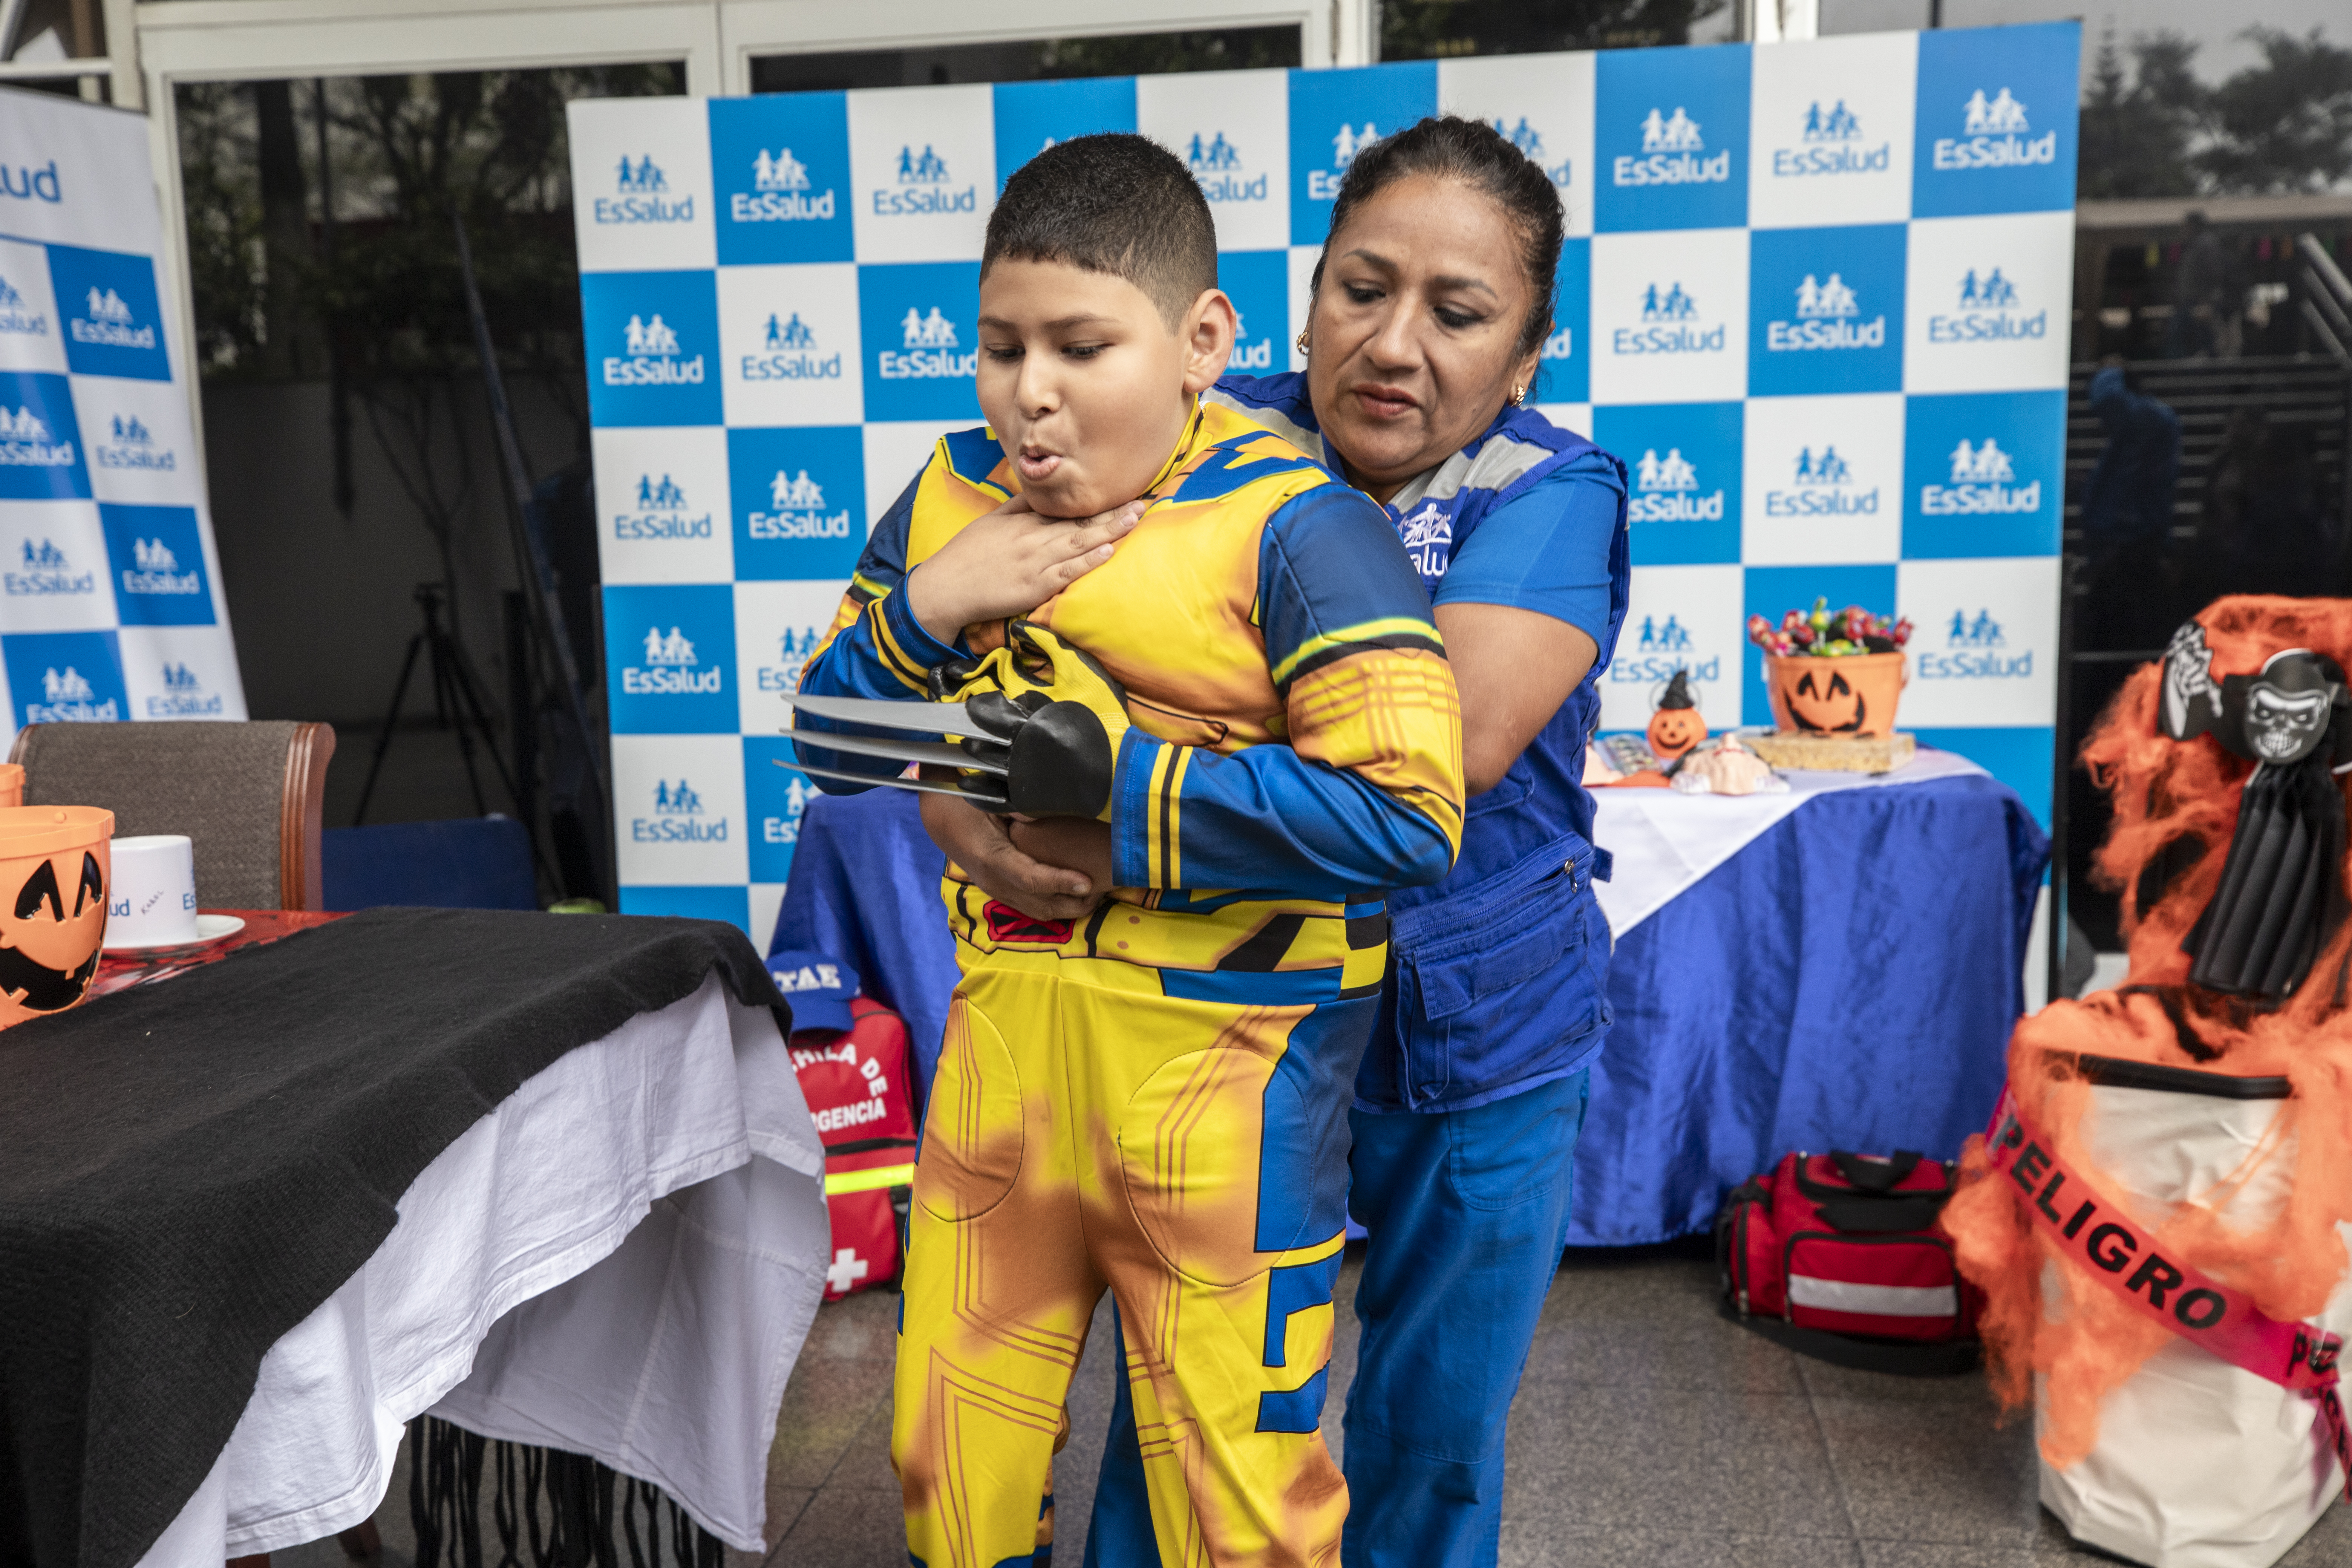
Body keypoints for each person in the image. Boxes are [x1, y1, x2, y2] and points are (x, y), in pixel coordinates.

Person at [923, 116, 1630, 1567]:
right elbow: (1005, 638)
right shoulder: (1196, 426)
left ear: (1529, 351)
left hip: (1472, 1033)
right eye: (1361, 288)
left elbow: (1443, 756)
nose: (1393, 343)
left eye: (1459, 312)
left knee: (1430, 1433)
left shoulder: (1552, 495)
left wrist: (1111, 796)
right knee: (1189, 1414)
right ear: (1296, 296)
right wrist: (948, 789)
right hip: (1210, 1023)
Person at [792, 132, 1467, 1568]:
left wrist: (1124, 802)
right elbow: (831, 738)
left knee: (1241, 1517)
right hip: (1004, 1064)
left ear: (1201, 341)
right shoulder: (951, 497)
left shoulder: (1301, 525)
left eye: (1082, 345)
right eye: (1001, 346)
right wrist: (930, 605)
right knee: (947, 1479)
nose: (1030, 393)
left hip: (1230, 1084)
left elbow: (1411, 813)